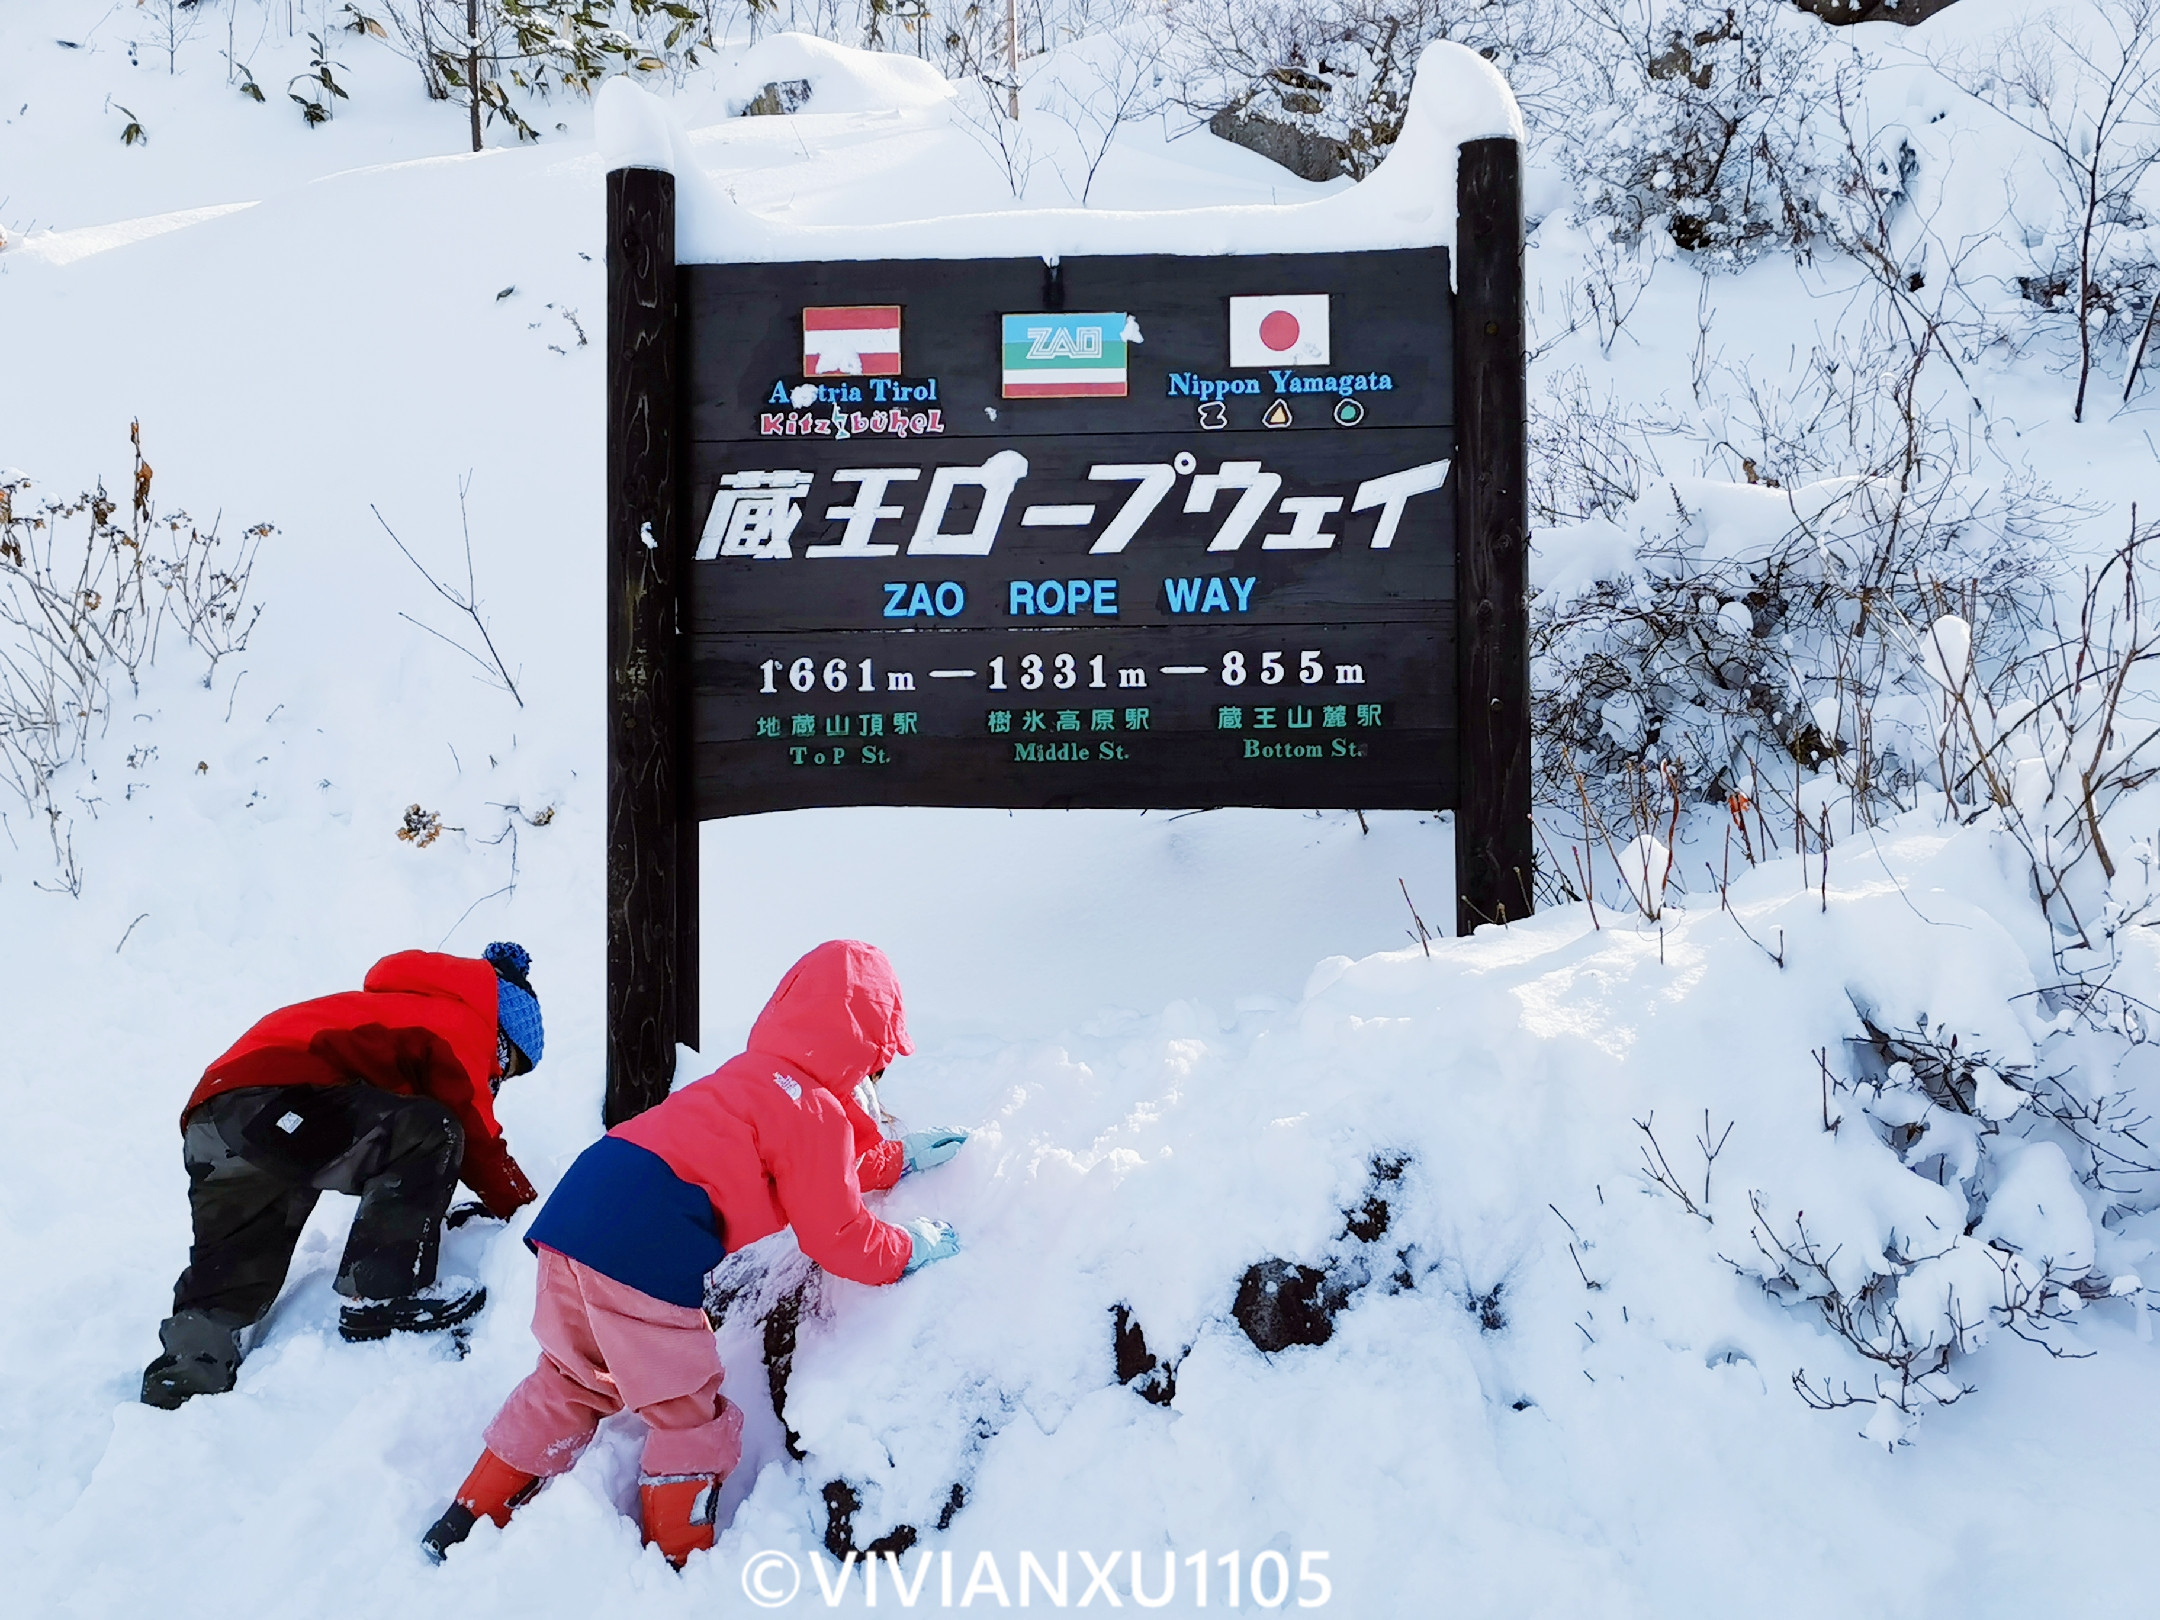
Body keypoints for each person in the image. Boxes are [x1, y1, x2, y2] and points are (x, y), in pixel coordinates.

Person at [423, 939, 967, 1568]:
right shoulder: (815, 1112)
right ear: (868, 1047)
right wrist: (908, 1249)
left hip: (579, 1209)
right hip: (642, 1241)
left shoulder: (750, 1075)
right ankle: (676, 1561)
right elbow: (836, 1236)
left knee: (571, 1378)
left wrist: (897, 1160)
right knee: (686, 1411)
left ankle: (468, 1517)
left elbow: (819, 1166)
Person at [140, 943, 545, 1409]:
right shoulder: (463, 1024)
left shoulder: (395, 1009)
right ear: (504, 1037)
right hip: (277, 1100)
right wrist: (531, 1213)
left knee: (233, 1265)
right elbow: (477, 1139)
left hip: (218, 1116)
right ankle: (381, 1295)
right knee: (433, 1131)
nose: (497, 1081)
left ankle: (184, 1380)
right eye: (507, 1070)